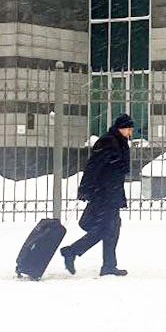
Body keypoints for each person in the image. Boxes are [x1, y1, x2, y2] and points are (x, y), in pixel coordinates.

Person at [61, 113, 135, 277]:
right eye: (129, 129)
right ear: (121, 128)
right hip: (104, 193)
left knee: (112, 229)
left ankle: (108, 265)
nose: (130, 132)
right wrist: (85, 188)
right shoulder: (109, 142)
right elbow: (93, 166)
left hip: (112, 192)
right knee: (106, 229)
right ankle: (72, 251)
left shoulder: (119, 142)